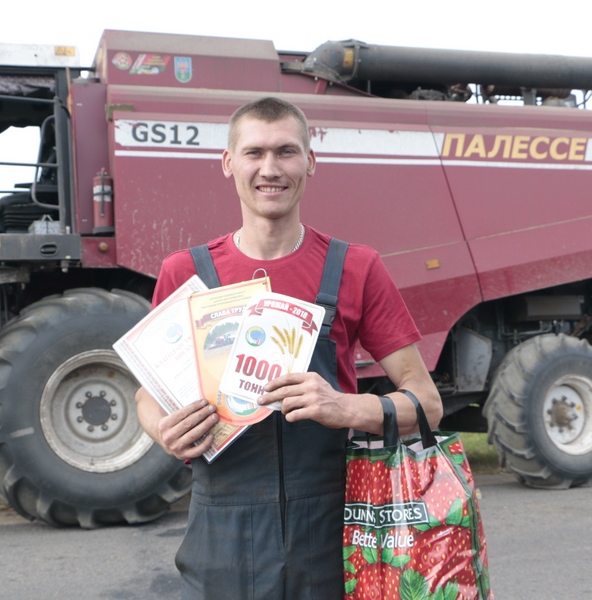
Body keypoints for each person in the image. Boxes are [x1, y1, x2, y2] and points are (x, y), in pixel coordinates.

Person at [135, 96, 443, 600]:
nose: (270, 168)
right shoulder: (185, 273)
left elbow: (426, 403)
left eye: (286, 152)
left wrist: (343, 407)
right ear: (228, 162)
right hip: (220, 532)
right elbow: (147, 395)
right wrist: (163, 429)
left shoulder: (356, 267)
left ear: (310, 161)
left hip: (332, 528)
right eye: (254, 153)